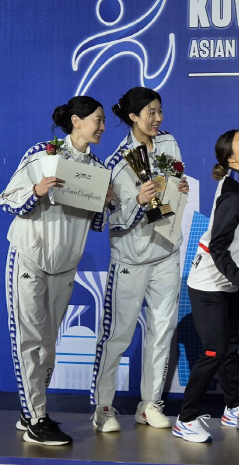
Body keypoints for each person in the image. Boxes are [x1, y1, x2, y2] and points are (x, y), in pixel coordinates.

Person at [0, 96, 112, 445]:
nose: (103, 126)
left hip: (65, 263)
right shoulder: (42, 153)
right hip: (30, 256)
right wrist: (37, 190)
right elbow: (7, 199)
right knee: (31, 341)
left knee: (47, 344)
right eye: (97, 119)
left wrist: (104, 203)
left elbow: (95, 224)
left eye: (103, 120)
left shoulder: (97, 167)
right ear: (76, 121)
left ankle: (30, 409)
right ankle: (37, 419)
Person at [90, 87, 189, 432]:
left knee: (163, 331)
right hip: (131, 259)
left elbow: (176, 182)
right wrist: (137, 201)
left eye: (160, 111)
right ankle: (103, 407)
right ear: (133, 116)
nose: (158, 119)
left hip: (166, 251)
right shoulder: (116, 163)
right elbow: (108, 221)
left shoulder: (169, 144)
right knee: (117, 335)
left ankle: (150, 403)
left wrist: (179, 189)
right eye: (151, 112)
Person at [172, 130, 239, 443]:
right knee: (214, 351)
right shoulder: (233, 195)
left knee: (231, 347)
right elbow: (217, 245)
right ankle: (185, 419)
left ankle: (234, 407)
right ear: (230, 159)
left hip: (228, 280)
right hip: (208, 284)